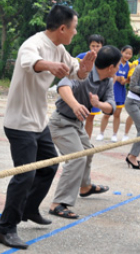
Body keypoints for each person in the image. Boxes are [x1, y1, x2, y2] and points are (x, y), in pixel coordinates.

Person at [0, 5, 95, 250]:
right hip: (20, 123)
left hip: (39, 122)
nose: (75, 33)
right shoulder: (33, 44)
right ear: (63, 28)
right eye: (74, 29)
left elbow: (77, 71)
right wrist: (49, 66)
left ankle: (29, 208)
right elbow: (32, 63)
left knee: (50, 165)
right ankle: (5, 228)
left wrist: (86, 67)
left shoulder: (60, 49)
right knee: (25, 174)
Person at [48, 45, 120, 219]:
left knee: (88, 151)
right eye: (117, 66)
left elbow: (111, 107)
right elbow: (63, 86)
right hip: (61, 123)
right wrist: (75, 105)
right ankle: (58, 203)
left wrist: (99, 104)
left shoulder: (107, 81)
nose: (119, 69)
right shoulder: (84, 72)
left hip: (76, 125)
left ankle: (85, 187)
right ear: (110, 67)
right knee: (77, 157)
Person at [96, 45, 133, 142]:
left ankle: (115, 134)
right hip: (111, 90)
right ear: (121, 52)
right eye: (126, 53)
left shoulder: (130, 65)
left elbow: (129, 79)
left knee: (117, 114)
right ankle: (101, 133)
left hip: (120, 91)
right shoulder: (115, 62)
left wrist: (125, 81)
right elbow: (110, 75)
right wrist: (116, 78)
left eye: (130, 54)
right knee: (107, 114)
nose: (127, 55)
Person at [76, 34, 105, 138]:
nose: (95, 48)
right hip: (81, 91)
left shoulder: (105, 59)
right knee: (78, 116)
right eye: (93, 46)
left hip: (95, 93)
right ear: (89, 46)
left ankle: (87, 141)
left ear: (102, 47)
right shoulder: (81, 56)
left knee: (90, 118)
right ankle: (77, 138)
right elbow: (73, 71)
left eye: (98, 46)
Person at [122, 45, 140, 142]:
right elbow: (131, 77)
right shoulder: (136, 63)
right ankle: (125, 134)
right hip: (136, 92)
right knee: (133, 114)